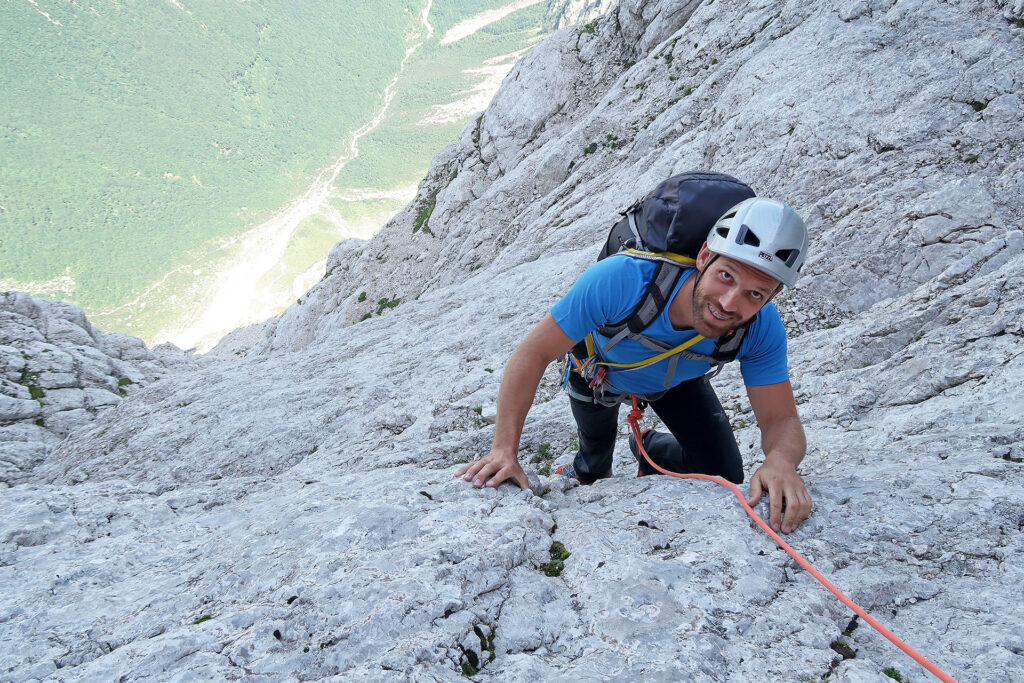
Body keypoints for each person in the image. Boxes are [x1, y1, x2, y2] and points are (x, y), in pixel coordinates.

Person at [455, 197, 813, 534]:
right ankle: (588, 465)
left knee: (723, 474)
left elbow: (780, 419)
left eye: (755, 293)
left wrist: (781, 460)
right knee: (593, 466)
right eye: (727, 276)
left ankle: (648, 448)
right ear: (704, 256)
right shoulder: (624, 280)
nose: (729, 303)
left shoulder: (761, 328)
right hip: (596, 374)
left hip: (674, 383)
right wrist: (503, 449)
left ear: (772, 296)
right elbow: (532, 354)